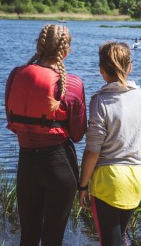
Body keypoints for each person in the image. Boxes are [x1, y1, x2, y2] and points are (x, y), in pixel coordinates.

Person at [5, 24, 87, 246]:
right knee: (53, 239)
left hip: (27, 165)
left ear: (39, 45)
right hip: (59, 165)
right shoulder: (72, 83)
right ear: (66, 51)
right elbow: (78, 134)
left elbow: (11, 119)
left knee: (28, 237)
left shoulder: (15, 74)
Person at [78, 41, 141, 246]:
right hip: (136, 178)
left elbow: (93, 149)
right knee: (120, 237)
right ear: (130, 67)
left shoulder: (100, 101)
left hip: (108, 182)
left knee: (111, 242)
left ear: (102, 70)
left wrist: (82, 185)